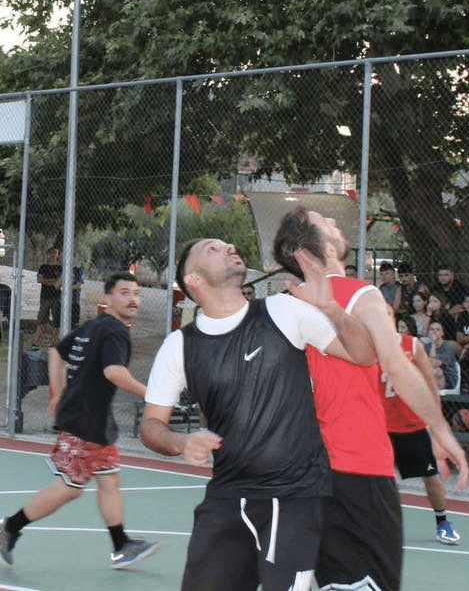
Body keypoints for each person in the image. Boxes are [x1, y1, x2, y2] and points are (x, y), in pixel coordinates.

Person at [138, 237, 376, 591]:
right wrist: (181, 441)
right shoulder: (180, 346)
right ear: (193, 280)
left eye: (227, 244)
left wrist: (332, 309)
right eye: (212, 248)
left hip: (295, 494)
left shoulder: (283, 310)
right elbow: (151, 426)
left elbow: (364, 354)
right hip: (228, 494)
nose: (229, 247)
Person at [272, 208, 469, 591]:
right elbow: (396, 364)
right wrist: (440, 428)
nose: (335, 223)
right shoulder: (361, 294)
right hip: (355, 469)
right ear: (321, 249)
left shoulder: (285, 307)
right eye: (326, 221)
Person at [0, 273, 161, 571]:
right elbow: (114, 372)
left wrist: (57, 393)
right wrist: (154, 395)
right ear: (108, 298)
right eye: (124, 292)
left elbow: (56, 352)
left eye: (136, 293)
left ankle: (121, 545)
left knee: (109, 480)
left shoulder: (93, 327)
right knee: (71, 488)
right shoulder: (115, 331)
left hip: (94, 420)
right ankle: (8, 527)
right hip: (85, 420)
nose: (133, 299)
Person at [384, 307, 461, 545]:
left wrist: (436, 422)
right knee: (378, 480)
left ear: (394, 319)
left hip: (412, 424)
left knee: (430, 476)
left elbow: (429, 384)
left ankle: (443, 523)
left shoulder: (412, 345)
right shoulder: (368, 346)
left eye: (387, 315)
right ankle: (380, 526)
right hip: (381, 426)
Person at [35, 247, 63, 344]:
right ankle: (37, 342)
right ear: (48, 255)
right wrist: (52, 281)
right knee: (41, 319)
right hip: (45, 297)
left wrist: (46, 281)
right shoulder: (43, 267)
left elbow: (59, 283)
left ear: (58, 255)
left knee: (56, 320)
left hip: (56, 297)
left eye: (55, 253)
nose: (53, 255)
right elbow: (39, 279)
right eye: (51, 253)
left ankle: (54, 342)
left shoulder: (60, 268)